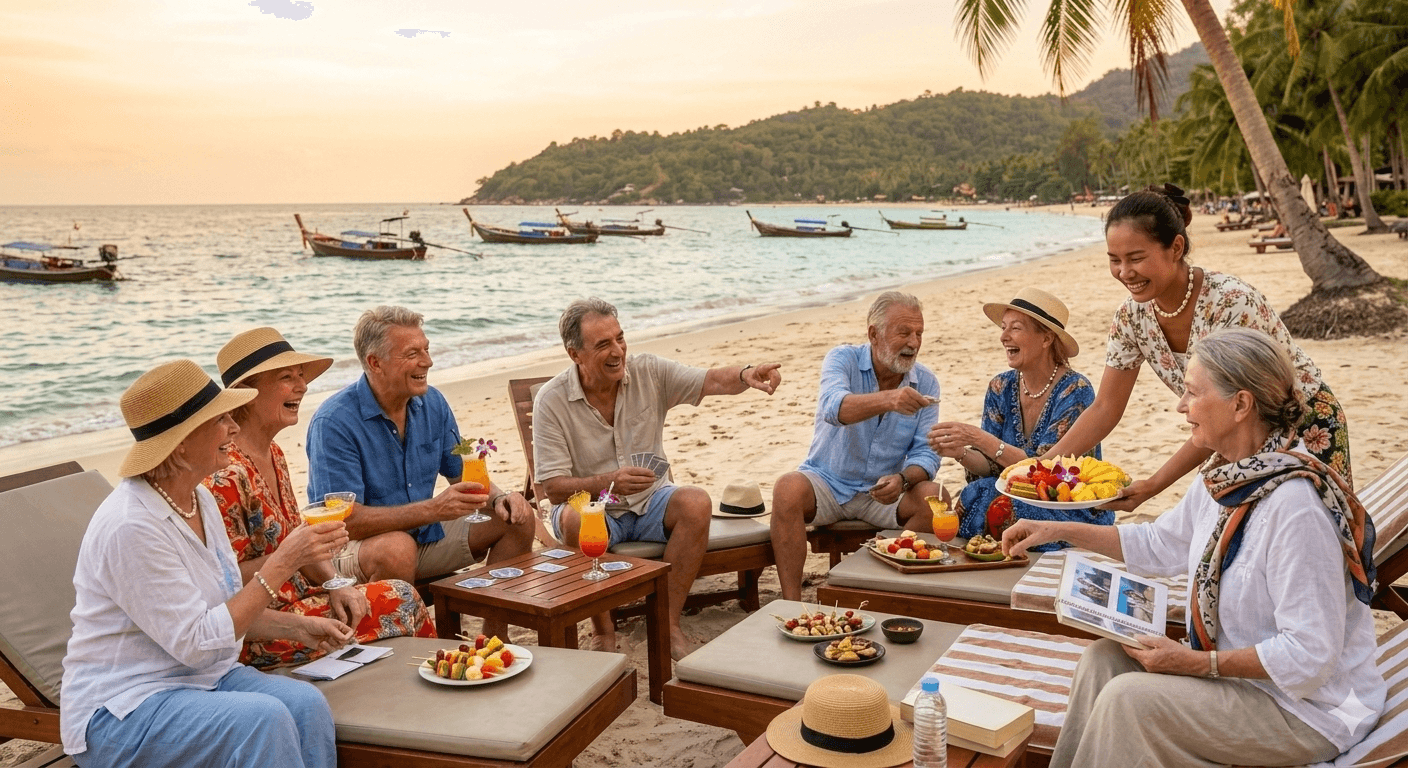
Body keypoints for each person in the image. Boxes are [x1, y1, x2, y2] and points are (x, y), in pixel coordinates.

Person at [1004, 328, 1384, 767]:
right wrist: (1057, 530)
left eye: (1192, 393)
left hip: (1306, 710)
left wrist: (1197, 665)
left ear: (1240, 405)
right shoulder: (1229, 474)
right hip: (1244, 686)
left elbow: (1310, 656)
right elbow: (1161, 543)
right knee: (1103, 661)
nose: (1180, 406)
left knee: (1130, 700)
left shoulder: (1295, 510)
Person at [61, 359, 352, 767]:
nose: (234, 428)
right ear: (180, 443)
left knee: (306, 703)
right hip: (125, 706)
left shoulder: (199, 500)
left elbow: (223, 610)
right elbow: (197, 644)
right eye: (220, 419)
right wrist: (283, 563)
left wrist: (301, 627)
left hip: (201, 680)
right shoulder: (131, 526)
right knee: (260, 720)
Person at [1044, 184, 1350, 513]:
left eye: (1136, 258)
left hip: (1303, 426)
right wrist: (1041, 467)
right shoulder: (1131, 316)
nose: (1124, 272)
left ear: (1175, 248)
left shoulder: (1229, 302)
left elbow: (1233, 409)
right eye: (1114, 260)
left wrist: (1153, 485)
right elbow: (1105, 407)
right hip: (1232, 435)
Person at [534, 297, 782, 658]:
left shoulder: (649, 371)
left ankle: (668, 622)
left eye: (620, 338)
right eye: (603, 344)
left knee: (696, 502)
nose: (618, 350)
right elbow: (553, 489)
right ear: (575, 354)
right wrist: (609, 481)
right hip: (591, 508)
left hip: (649, 502)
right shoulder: (551, 401)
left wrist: (746, 373)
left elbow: (710, 379)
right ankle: (602, 627)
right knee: (575, 520)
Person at [205, 327, 435, 668]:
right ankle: (433, 685)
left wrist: (336, 584)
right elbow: (221, 579)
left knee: (392, 595)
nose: (302, 386)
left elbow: (298, 543)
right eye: (287, 377)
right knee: (401, 599)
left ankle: (416, 685)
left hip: (301, 595)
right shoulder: (226, 474)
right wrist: (291, 557)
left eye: (301, 376)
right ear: (245, 393)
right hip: (261, 625)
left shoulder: (275, 454)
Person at [305, 306, 534, 639]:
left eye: (426, 349)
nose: (427, 361)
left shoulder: (433, 403)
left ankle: (493, 635)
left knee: (518, 518)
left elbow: (462, 475)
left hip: (423, 538)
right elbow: (344, 520)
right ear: (374, 362)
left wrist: (500, 497)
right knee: (396, 549)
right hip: (351, 551)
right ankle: (404, 643)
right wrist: (433, 509)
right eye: (412, 354)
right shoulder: (334, 422)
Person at [771, 291, 946, 601]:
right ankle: (791, 603)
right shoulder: (842, 359)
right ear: (873, 334)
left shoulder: (927, 382)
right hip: (826, 482)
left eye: (919, 333)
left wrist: (903, 479)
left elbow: (926, 452)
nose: (914, 342)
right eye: (904, 332)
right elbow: (834, 409)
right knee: (787, 488)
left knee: (934, 498)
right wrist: (890, 400)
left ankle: (883, 584)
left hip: (882, 492)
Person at [926, 288, 1108, 547]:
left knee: (1015, 509)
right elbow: (992, 466)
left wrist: (977, 437)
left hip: (1065, 502)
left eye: (1016, 328)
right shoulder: (1000, 386)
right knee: (975, 492)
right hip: (1012, 492)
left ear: (1046, 339)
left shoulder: (1075, 390)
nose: (1003, 337)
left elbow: (1042, 470)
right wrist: (960, 452)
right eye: (1003, 327)